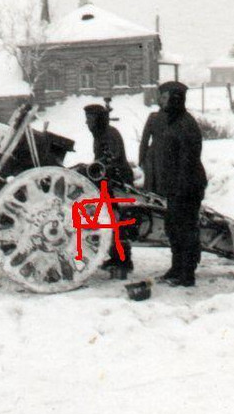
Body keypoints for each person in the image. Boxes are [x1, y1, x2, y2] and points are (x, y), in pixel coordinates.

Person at [144, 81, 207, 287]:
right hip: (175, 188)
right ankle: (177, 267)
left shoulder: (186, 124)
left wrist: (180, 189)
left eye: (164, 97)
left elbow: (188, 163)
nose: (160, 102)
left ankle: (187, 273)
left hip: (187, 187)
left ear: (175, 98)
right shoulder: (172, 121)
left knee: (186, 229)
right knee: (173, 228)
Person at [84, 103, 133, 278]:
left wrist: (96, 167)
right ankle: (116, 258)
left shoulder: (109, 134)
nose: (87, 123)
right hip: (108, 180)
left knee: (116, 221)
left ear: (98, 119)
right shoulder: (101, 133)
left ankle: (123, 262)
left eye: (90, 119)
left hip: (117, 181)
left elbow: (111, 158)